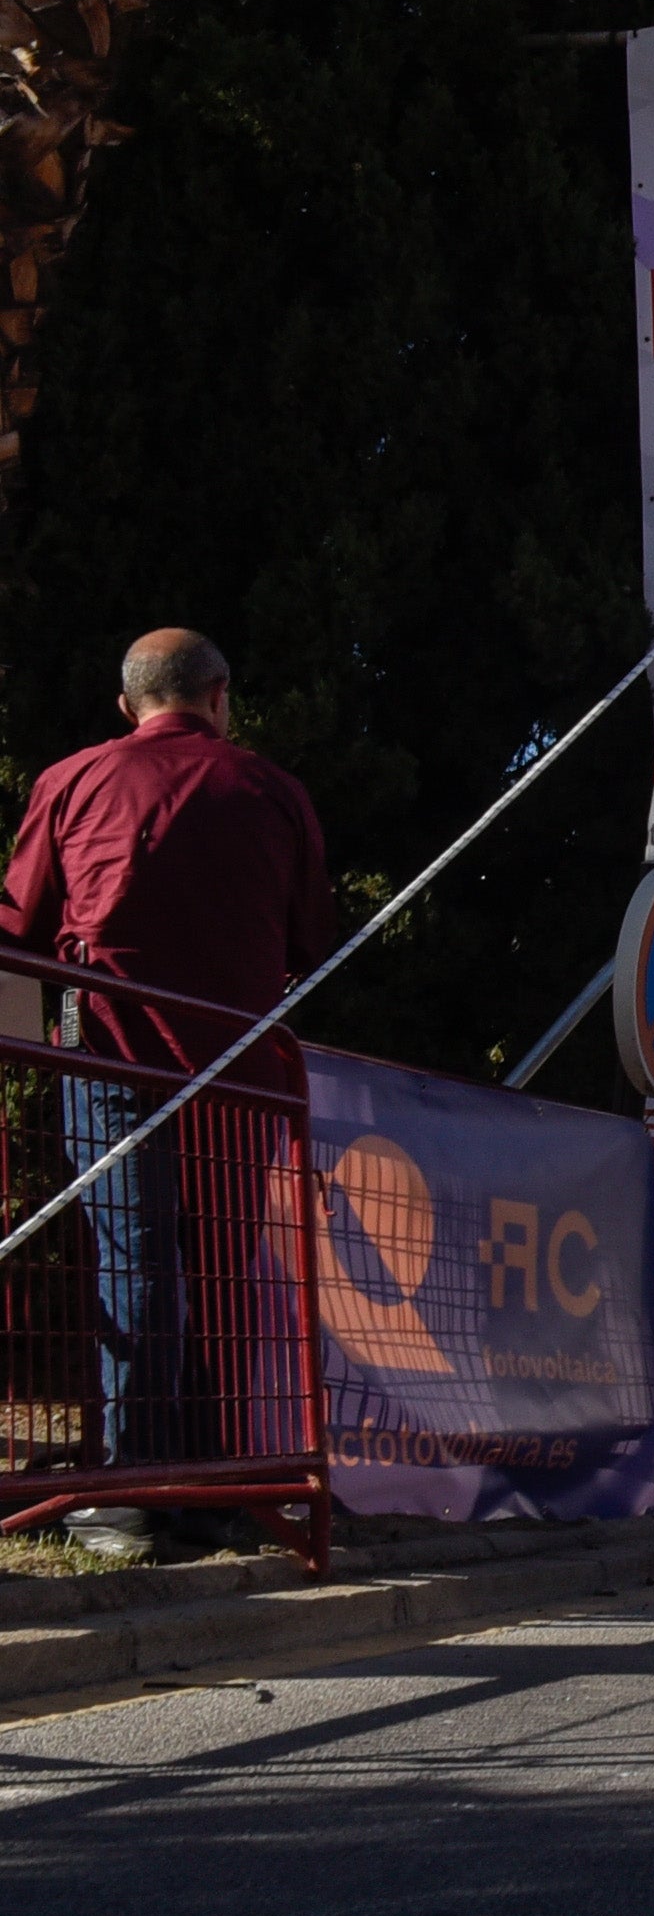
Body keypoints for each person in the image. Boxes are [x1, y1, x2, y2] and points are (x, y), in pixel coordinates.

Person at [0, 629, 330, 1557]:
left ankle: (127, 1492)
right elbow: (310, 940)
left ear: (126, 704)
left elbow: (20, 927)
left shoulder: (72, 781)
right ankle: (218, 1488)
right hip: (244, 1077)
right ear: (221, 696)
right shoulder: (273, 792)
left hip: (115, 1063)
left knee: (132, 1266)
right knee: (226, 1278)